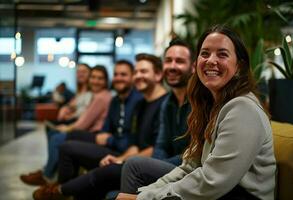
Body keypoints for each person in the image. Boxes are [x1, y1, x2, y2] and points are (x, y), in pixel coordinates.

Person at [117, 25, 276, 200]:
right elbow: (189, 166)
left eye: (222, 54)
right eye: (205, 53)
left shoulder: (243, 109)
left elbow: (212, 181)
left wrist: (144, 198)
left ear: (239, 66)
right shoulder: (211, 105)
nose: (210, 60)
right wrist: (145, 193)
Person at [32, 53, 168, 200]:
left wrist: (120, 157)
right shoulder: (138, 103)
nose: (138, 76)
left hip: (146, 162)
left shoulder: (160, 103)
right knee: (66, 143)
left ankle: (59, 190)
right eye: (136, 72)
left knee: (101, 169)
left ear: (158, 75)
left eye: (143, 71)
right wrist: (120, 156)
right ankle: (55, 182)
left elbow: (153, 148)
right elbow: (134, 142)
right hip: (129, 153)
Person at [119, 37, 194, 195]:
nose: (172, 66)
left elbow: (195, 155)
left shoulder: (200, 101)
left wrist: (156, 165)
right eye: (168, 60)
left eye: (179, 61)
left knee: (133, 166)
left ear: (193, 67)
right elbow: (161, 145)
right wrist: (155, 164)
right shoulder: (168, 102)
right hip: (169, 165)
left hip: (191, 170)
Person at [20, 65, 112, 185]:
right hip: (89, 130)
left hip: (94, 133)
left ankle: (48, 177)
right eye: (93, 77)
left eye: (100, 78)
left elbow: (84, 122)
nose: (95, 81)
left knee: (57, 137)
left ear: (106, 81)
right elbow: (81, 114)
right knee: (54, 132)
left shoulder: (101, 97)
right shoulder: (97, 95)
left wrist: (68, 128)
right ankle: (49, 172)